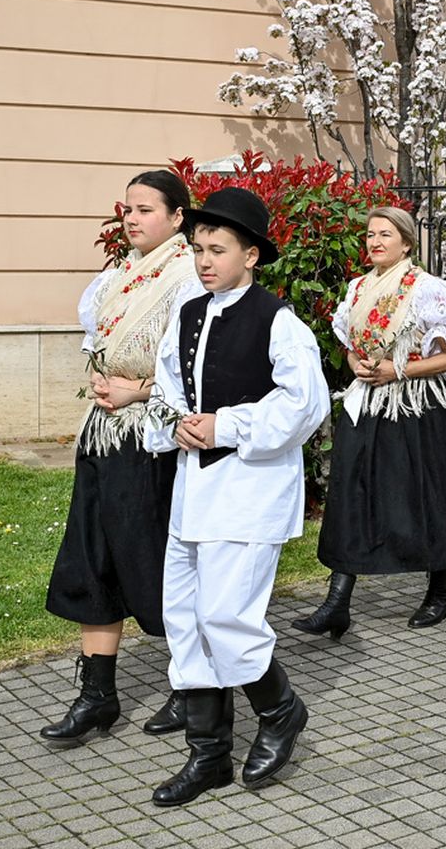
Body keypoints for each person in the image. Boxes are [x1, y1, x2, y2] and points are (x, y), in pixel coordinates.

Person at [143, 188, 331, 807]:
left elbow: (304, 404)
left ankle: (280, 710)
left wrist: (226, 425)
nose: (204, 260)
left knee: (227, 617)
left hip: (250, 492)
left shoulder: (278, 322)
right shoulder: (188, 314)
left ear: (250, 255)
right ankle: (209, 756)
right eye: (198, 249)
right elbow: (166, 389)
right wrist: (174, 424)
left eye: (217, 250)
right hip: (193, 490)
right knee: (185, 617)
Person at [41, 169, 201, 747]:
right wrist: (103, 381)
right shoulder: (118, 276)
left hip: (153, 440)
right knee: (93, 557)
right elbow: (100, 347)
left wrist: (139, 392)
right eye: (127, 209)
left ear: (177, 217)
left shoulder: (190, 278)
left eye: (145, 209)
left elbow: (197, 371)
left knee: (157, 559)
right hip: (104, 435)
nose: (131, 218)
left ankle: (193, 686)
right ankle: (97, 695)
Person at [293, 206, 446, 637]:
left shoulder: (428, 290)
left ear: (406, 243)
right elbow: (350, 345)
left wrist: (398, 371)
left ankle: (440, 590)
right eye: (370, 234)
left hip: (420, 406)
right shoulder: (359, 288)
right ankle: (337, 601)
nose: (375, 242)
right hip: (369, 402)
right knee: (352, 495)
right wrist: (358, 365)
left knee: (428, 496)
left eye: (385, 234)